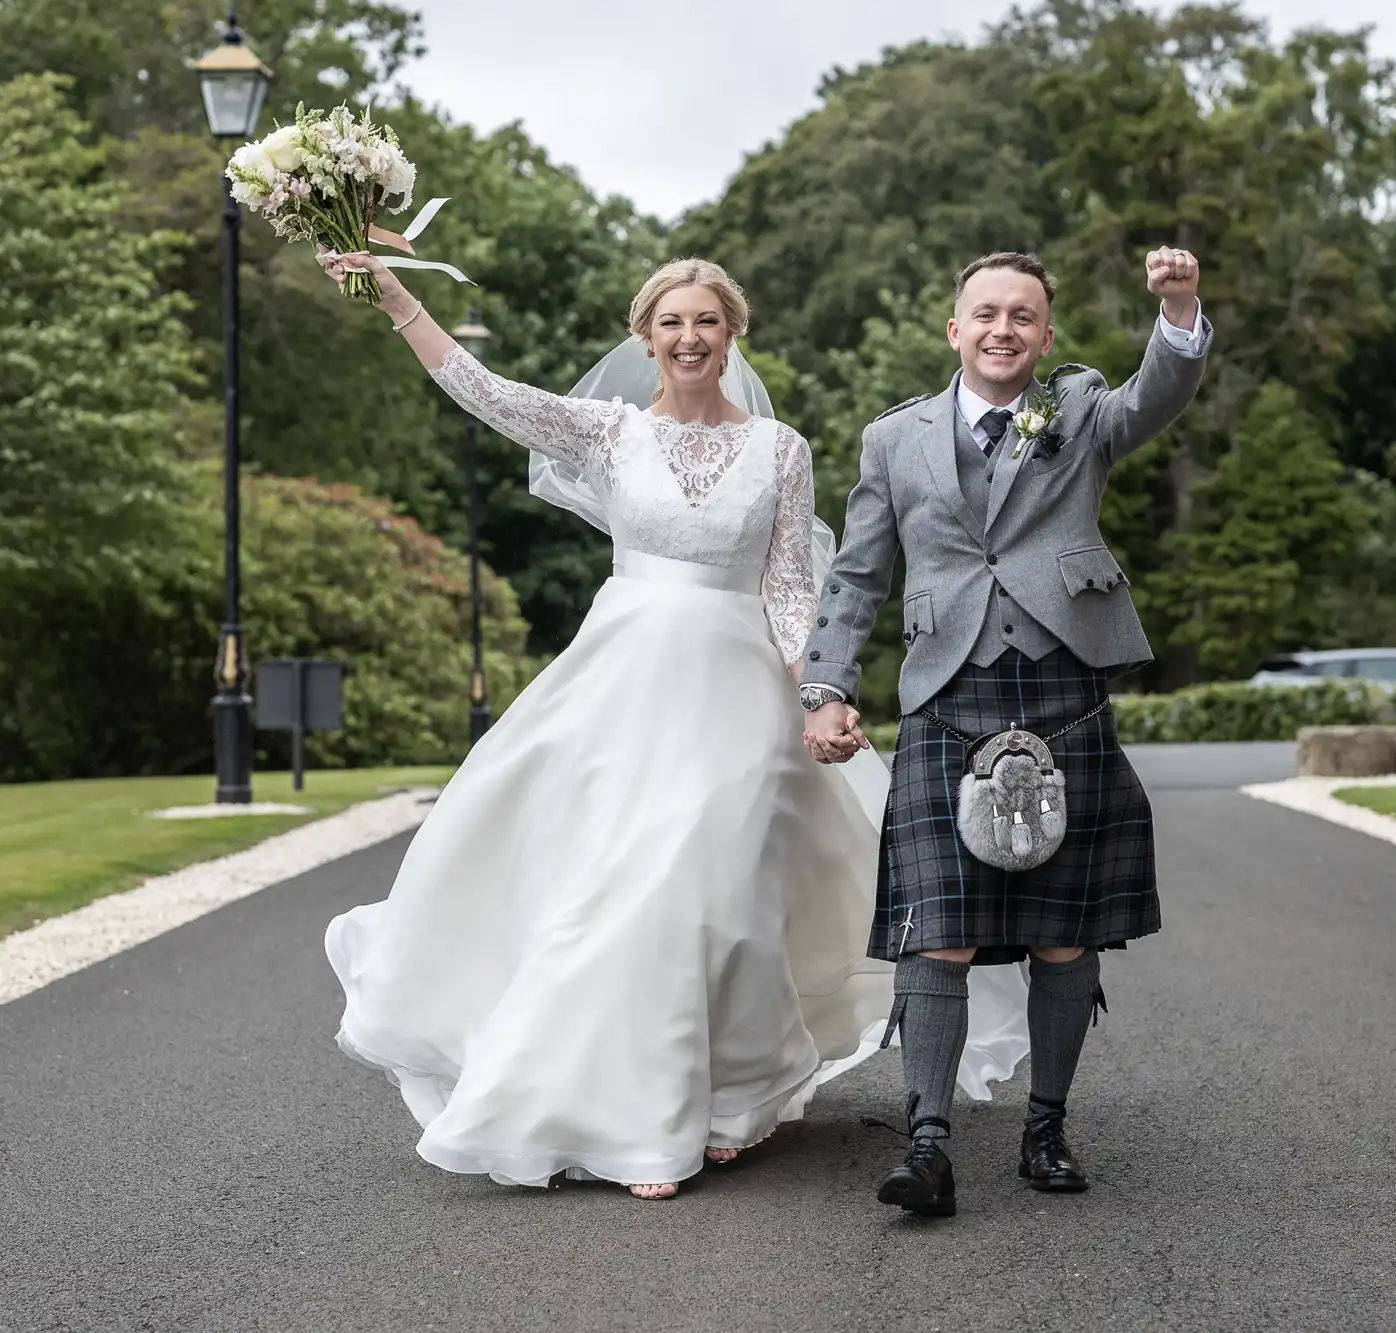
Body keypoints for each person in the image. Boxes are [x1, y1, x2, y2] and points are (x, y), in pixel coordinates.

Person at [313, 250, 1026, 1200]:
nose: (690, 339)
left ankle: (732, 1096)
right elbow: (483, 391)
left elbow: (788, 589)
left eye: (707, 322)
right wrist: (396, 295)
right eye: (672, 323)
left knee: (721, 896)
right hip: (622, 687)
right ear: (645, 336)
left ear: (732, 335)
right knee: (625, 890)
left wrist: (822, 694)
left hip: (737, 694)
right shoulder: (608, 433)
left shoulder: (782, 450)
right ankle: (629, 1116)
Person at [801, 248, 1210, 1217]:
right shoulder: (892, 440)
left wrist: (1178, 303)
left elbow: (1160, 390)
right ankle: (927, 1142)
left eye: (1021, 317)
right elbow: (858, 576)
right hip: (947, 694)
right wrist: (824, 687)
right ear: (952, 330)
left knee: (1064, 938)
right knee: (932, 933)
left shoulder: (1079, 411)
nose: (1001, 330)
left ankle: (1045, 1127)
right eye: (984, 313)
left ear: (1044, 335)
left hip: (1065, 687)